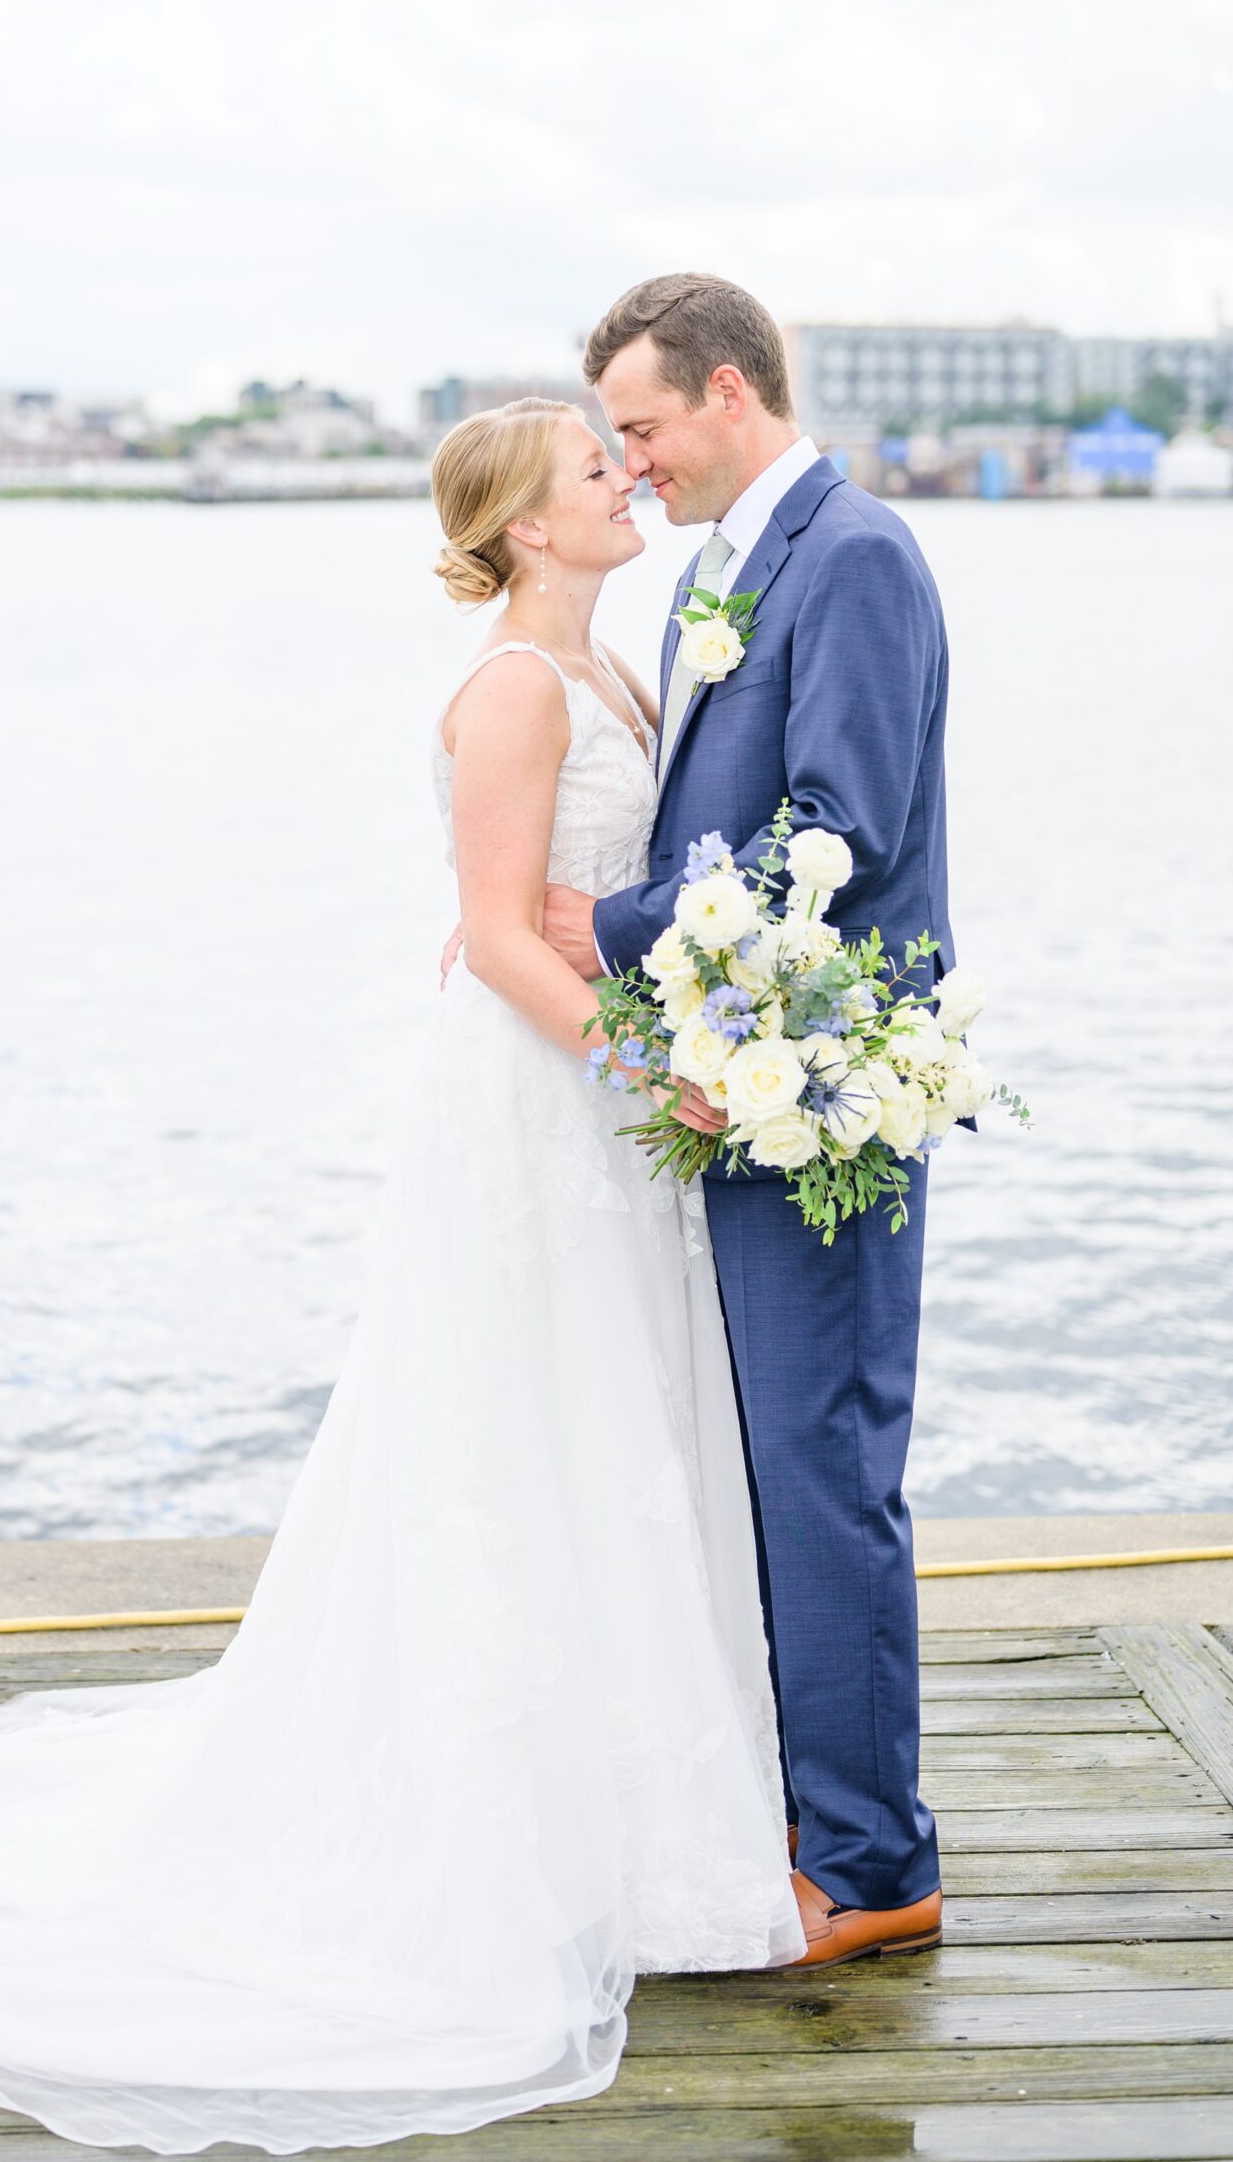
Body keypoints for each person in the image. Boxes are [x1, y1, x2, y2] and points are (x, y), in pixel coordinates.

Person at [0, 394, 802, 2154]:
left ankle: (638, 1833)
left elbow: (567, 902)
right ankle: (506, 1835)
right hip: (539, 1104)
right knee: (521, 1428)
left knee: (614, 1431)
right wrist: (658, 1071)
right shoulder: (511, 687)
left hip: (591, 1096)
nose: (623, 480)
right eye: (597, 470)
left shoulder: (618, 668)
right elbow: (498, 935)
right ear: (524, 525)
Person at [516, 272, 952, 1963]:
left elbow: (843, 831)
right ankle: (810, 1808)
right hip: (740, 1088)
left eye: (640, 429)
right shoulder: (723, 567)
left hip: (823, 1096)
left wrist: (607, 933)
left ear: (725, 394)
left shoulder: (853, 559)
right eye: (610, 441)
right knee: (766, 1467)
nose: (631, 466)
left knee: (823, 1469)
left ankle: (869, 1867)